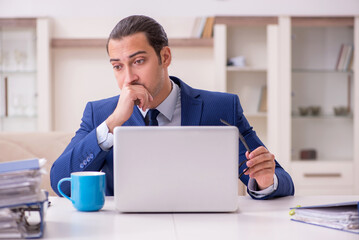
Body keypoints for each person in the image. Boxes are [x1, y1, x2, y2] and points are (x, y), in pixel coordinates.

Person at [50, 15, 294, 199]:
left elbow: (283, 181)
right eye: (118, 66)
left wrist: (264, 180)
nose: (128, 78)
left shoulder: (220, 108)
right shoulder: (101, 115)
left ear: (165, 57)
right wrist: (113, 124)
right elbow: (61, 182)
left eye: (138, 61)